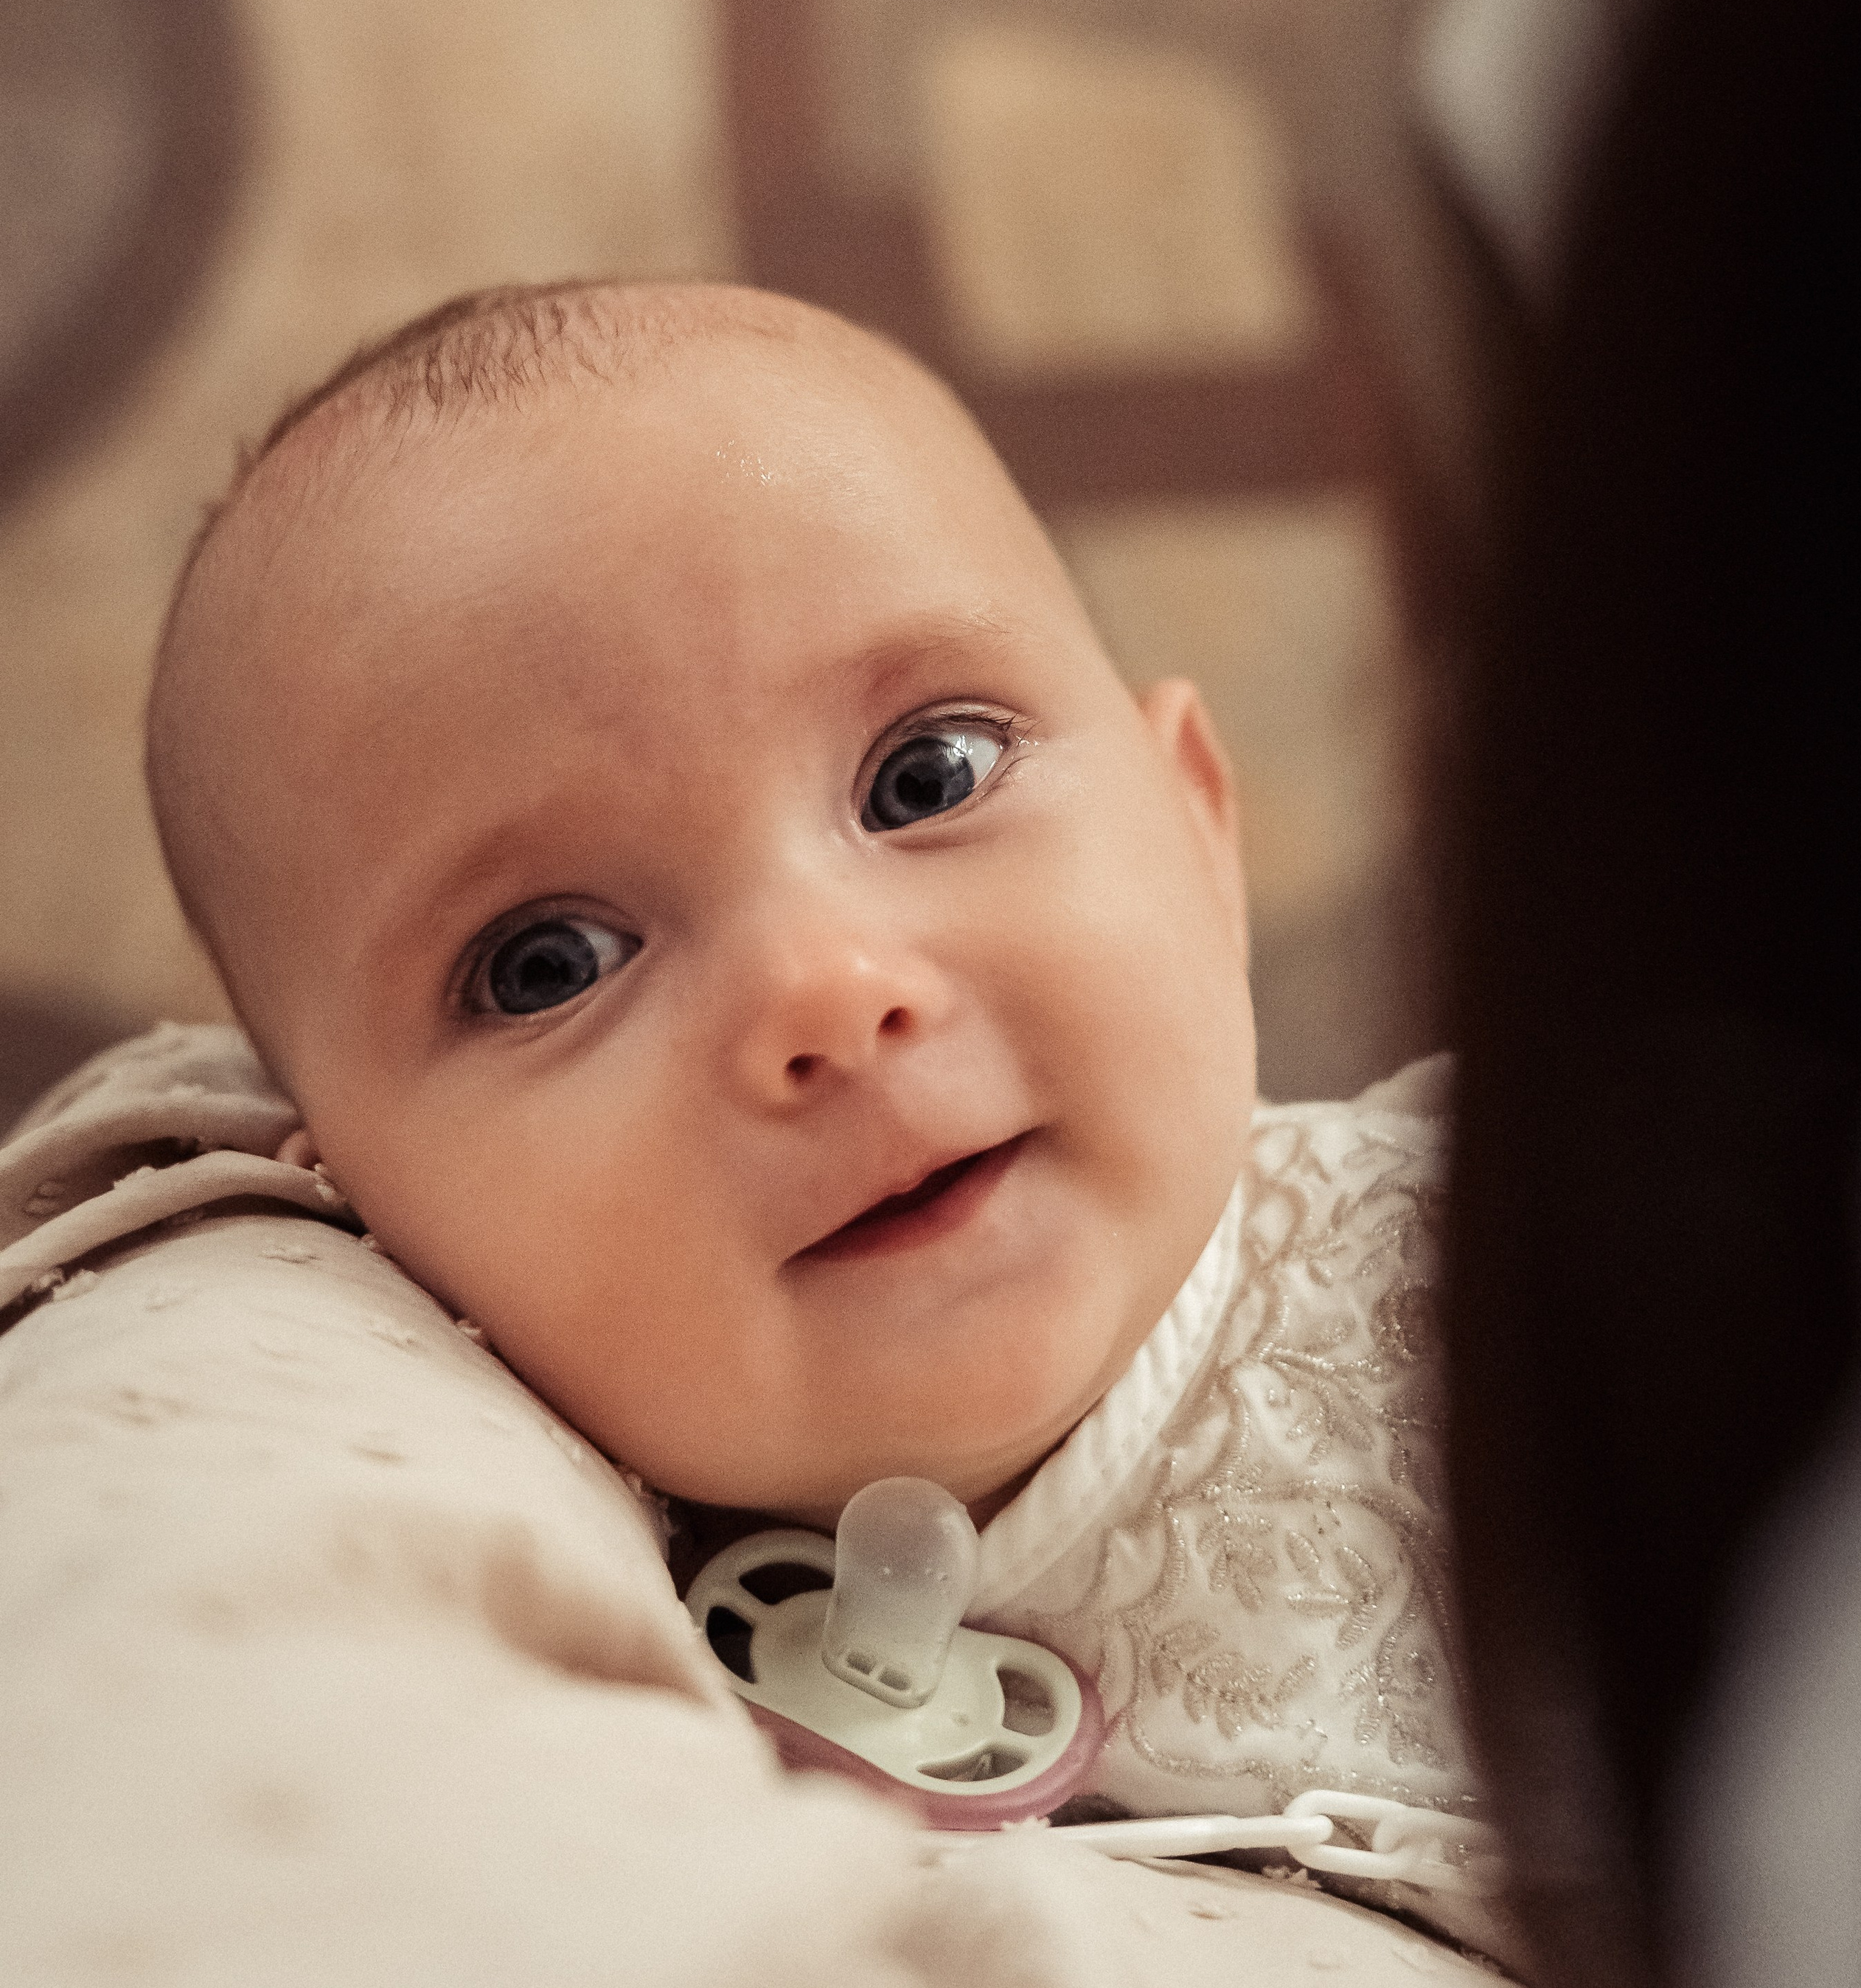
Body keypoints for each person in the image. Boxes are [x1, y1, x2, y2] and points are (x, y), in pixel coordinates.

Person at [114, 273, 1476, 1869]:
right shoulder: (514, 1645)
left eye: (925, 776)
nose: (824, 997)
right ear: (343, 1193)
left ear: (1196, 820)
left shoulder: (1507, 1257)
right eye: (548, 961)